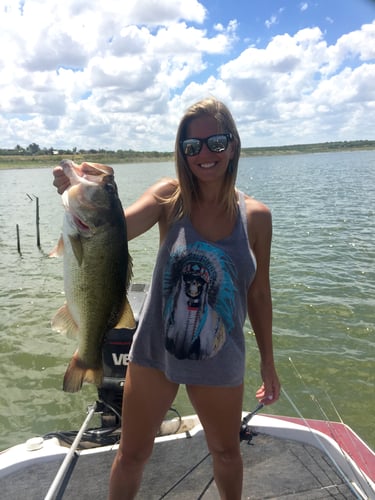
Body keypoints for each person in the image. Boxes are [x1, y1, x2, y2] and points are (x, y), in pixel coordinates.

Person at [53, 97, 281, 499]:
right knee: (131, 454)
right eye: (192, 146)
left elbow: (259, 295)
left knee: (227, 452)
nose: (204, 154)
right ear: (182, 152)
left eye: (216, 141)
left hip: (220, 355)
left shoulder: (257, 217)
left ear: (233, 145)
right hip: (155, 352)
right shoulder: (169, 197)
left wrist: (268, 363)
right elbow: (111, 231)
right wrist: (87, 193)